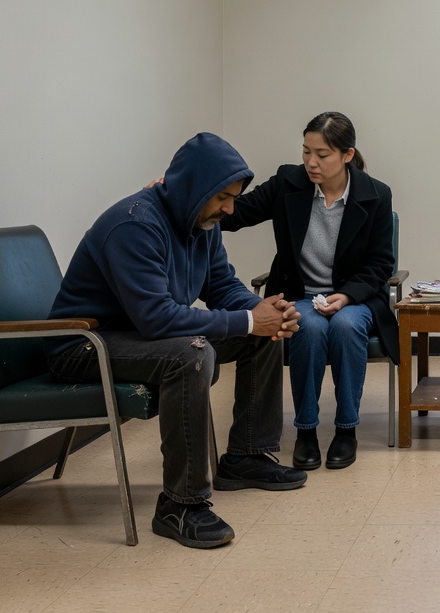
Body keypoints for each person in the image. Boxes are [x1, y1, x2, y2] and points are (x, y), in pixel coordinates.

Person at [46, 133, 307, 550]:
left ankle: (246, 458)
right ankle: (180, 505)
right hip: (82, 345)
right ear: (193, 187)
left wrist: (265, 313)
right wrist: (246, 319)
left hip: (135, 336)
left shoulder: (200, 222)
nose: (230, 208)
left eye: (234, 197)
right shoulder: (134, 224)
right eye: (222, 197)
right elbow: (156, 318)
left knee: (262, 335)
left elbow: (222, 286)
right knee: (190, 355)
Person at [221, 111, 396, 472]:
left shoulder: (376, 194)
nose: (311, 163)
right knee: (310, 327)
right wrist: (178, 197)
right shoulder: (289, 182)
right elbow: (234, 214)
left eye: (322, 154)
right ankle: (306, 431)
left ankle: (347, 429)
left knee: (347, 327)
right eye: (306, 152)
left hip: (353, 297)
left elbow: (381, 264)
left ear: (347, 155)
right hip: (300, 295)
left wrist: (347, 295)